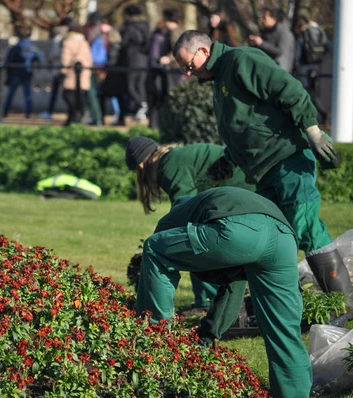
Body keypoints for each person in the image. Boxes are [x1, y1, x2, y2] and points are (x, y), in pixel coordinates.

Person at [172, 30, 352, 294]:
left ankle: (343, 303)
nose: (188, 73)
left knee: (305, 226)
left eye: (189, 65)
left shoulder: (242, 60)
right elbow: (244, 126)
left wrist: (312, 130)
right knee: (272, 236)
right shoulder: (220, 79)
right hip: (265, 172)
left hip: (288, 159)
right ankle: (281, 302)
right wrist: (228, 159)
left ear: (205, 51)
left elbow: (288, 89)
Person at [137, 186, 311, 398]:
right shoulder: (211, 202)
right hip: (283, 238)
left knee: (155, 248)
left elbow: (158, 264)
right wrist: (208, 335)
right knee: (284, 333)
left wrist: (148, 322)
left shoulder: (171, 220)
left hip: (237, 231)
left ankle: (155, 340)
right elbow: (233, 285)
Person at [125, 137, 255, 311]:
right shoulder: (172, 159)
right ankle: (207, 300)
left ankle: (208, 301)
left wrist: (160, 242)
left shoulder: (168, 166)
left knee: (193, 244)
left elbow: (185, 208)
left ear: (141, 165)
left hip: (244, 189)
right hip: (242, 190)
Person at [293, 15, 331, 125]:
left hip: (304, 72)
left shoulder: (302, 38)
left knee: (307, 97)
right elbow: (330, 49)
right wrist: (321, 64)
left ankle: (312, 120)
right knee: (317, 96)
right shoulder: (319, 34)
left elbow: (297, 58)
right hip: (319, 70)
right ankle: (322, 118)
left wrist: (296, 71)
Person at [117, 5, 150, 124]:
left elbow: (124, 43)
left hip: (132, 59)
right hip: (143, 59)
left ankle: (142, 105)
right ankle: (142, 107)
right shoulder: (146, 25)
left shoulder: (129, 27)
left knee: (131, 86)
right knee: (140, 85)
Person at [3, 25, 44, 119]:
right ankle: (28, 113)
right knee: (28, 94)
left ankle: (5, 112)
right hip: (27, 73)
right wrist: (37, 66)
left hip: (16, 73)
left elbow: (8, 61)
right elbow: (40, 58)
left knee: (11, 94)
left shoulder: (16, 46)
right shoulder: (33, 47)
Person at [39, 19, 71, 120]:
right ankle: (72, 113)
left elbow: (53, 54)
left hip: (58, 69)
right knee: (67, 93)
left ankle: (50, 112)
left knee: (58, 92)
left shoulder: (59, 39)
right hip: (67, 69)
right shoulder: (71, 38)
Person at [60, 23, 92, 125]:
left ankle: (73, 118)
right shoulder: (84, 43)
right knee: (80, 98)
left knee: (68, 96)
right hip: (84, 74)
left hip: (71, 74)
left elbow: (65, 60)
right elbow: (89, 60)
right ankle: (77, 117)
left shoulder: (68, 42)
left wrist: (63, 71)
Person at [248, 8, 295, 72]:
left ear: (273, 19)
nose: (262, 20)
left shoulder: (283, 32)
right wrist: (255, 43)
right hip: (269, 69)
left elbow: (279, 52)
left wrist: (261, 43)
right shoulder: (268, 32)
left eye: (265, 18)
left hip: (279, 71)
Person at [83, 11, 106, 126]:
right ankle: (96, 118)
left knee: (91, 93)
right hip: (101, 67)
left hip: (92, 67)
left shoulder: (90, 31)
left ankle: (96, 118)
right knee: (96, 93)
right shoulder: (105, 31)